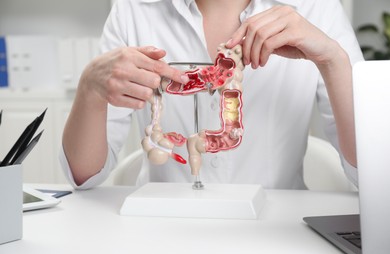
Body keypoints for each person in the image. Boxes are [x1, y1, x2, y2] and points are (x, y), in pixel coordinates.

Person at [60, 0, 364, 190]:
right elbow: (85, 176)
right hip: (160, 234)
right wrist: (90, 89)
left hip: (276, 235)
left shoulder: (317, 8)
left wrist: (333, 60)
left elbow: (370, 175)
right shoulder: (132, 11)